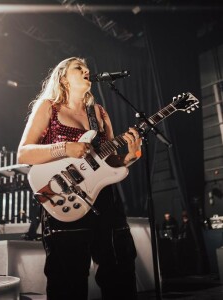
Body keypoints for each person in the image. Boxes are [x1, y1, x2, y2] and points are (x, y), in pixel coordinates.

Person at [17, 57, 142, 300]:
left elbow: (108, 161)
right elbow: (24, 153)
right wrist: (64, 148)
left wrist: (128, 158)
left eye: (87, 69)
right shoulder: (48, 107)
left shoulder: (98, 112)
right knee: (68, 280)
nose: (86, 71)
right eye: (79, 68)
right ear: (63, 77)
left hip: (105, 200)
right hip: (65, 197)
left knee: (120, 270)